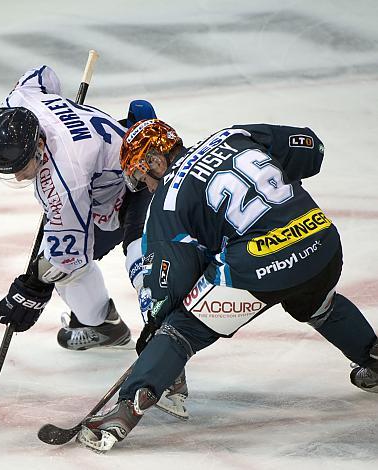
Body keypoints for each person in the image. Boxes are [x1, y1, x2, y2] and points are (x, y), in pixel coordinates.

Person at [77, 119, 378, 453]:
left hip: (259, 262)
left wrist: (156, 323)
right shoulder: (235, 135)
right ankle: (373, 356)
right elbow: (309, 148)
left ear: (156, 160)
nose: (146, 186)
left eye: (140, 176)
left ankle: (125, 410)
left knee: (181, 330)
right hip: (321, 241)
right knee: (318, 304)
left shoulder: (167, 196)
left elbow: (170, 281)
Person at [0, 66, 188, 418]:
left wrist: (32, 287)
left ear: (40, 145)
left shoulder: (66, 180)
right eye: (8, 170)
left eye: (22, 166)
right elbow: (42, 74)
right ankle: (104, 326)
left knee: (141, 262)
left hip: (139, 179)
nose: (18, 176)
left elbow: (67, 258)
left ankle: (169, 365)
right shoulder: (21, 99)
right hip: (102, 190)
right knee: (59, 264)